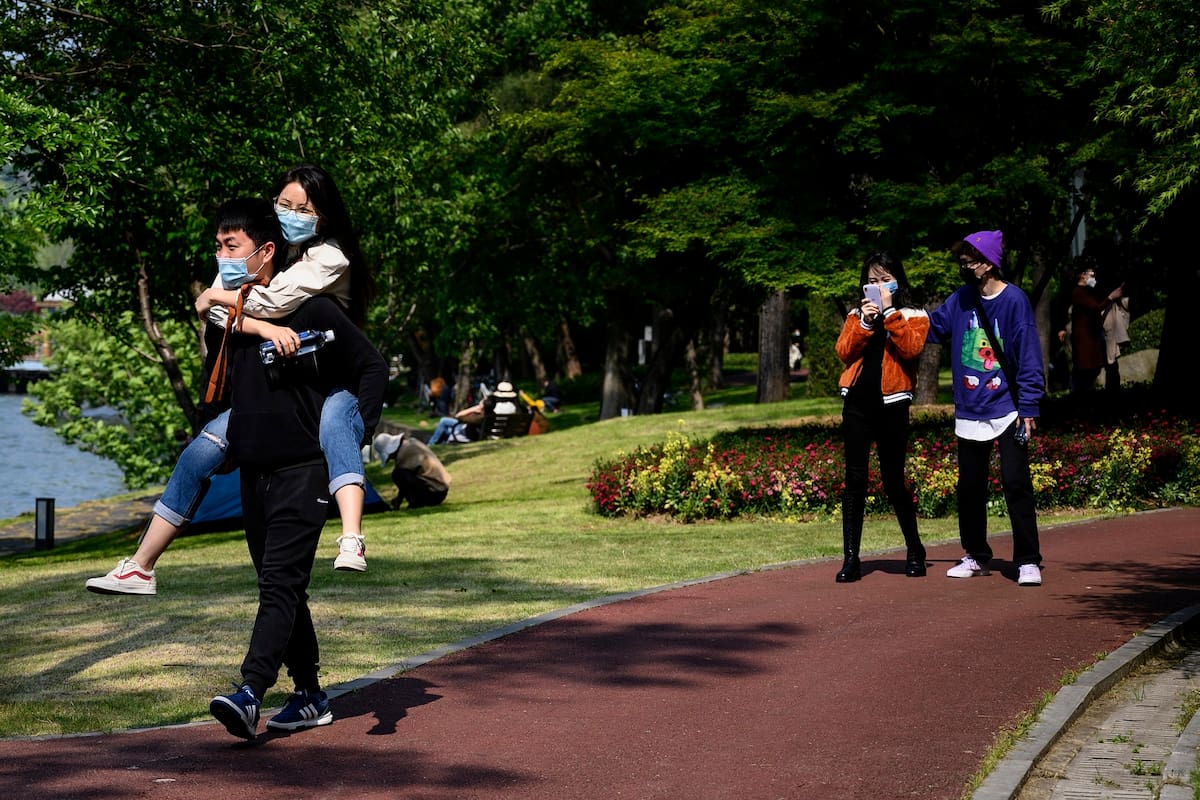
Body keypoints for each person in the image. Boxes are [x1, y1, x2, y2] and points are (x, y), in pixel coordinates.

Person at [85, 165, 374, 595]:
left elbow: (272, 302)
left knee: (335, 427)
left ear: (324, 215)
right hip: (276, 390)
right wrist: (252, 320)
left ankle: (352, 537)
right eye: (284, 205)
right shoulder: (266, 253)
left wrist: (219, 298)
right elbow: (222, 315)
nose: (291, 214)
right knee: (198, 455)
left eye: (303, 209)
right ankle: (140, 567)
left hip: (325, 385)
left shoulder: (328, 257)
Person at [204, 198, 388, 740]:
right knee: (280, 585)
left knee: (280, 582)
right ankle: (309, 693)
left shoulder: (315, 309)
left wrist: (356, 431)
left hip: (304, 467)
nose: (222, 258)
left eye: (231, 247)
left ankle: (250, 692)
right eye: (217, 248)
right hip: (254, 472)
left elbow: (372, 366)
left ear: (265, 252)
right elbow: (221, 386)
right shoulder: (231, 320)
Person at [927, 229, 1045, 586]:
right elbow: (933, 328)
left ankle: (1028, 560)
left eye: (970, 261)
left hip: (1008, 407)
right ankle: (976, 555)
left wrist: (1030, 407)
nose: (964, 266)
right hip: (970, 408)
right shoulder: (961, 298)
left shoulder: (1014, 301)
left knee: (1016, 482)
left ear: (989, 263)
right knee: (970, 488)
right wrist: (897, 318)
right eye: (962, 261)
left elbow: (1028, 355)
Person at [833, 251, 930, 582]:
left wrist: (889, 313)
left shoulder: (913, 314)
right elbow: (844, 352)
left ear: (897, 280)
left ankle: (915, 549)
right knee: (855, 480)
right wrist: (864, 322)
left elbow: (912, 349)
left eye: (885, 279)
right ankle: (851, 559)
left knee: (893, 481)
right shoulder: (857, 315)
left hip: (893, 406)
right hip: (857, 405)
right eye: (872, 281)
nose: (879, 286)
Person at [1067, 261, 1124, 396]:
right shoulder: (1078, 292)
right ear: (1083, 275)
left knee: (1092, 369)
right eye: (1091, 275)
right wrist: (1110, 297)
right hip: (1085, 340)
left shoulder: (1087, 292)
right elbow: (1095, 307)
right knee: (1083, 371)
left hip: (1091, 338)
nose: (1093, 278)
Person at [376, 432, 452, 509]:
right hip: (441, 490)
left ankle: (417, 502)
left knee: (397, 474)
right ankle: (417, 501)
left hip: (434, 492)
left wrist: (399, 500)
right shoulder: (410, 442)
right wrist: (398, 499)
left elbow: (405, 480)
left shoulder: (403, 453)